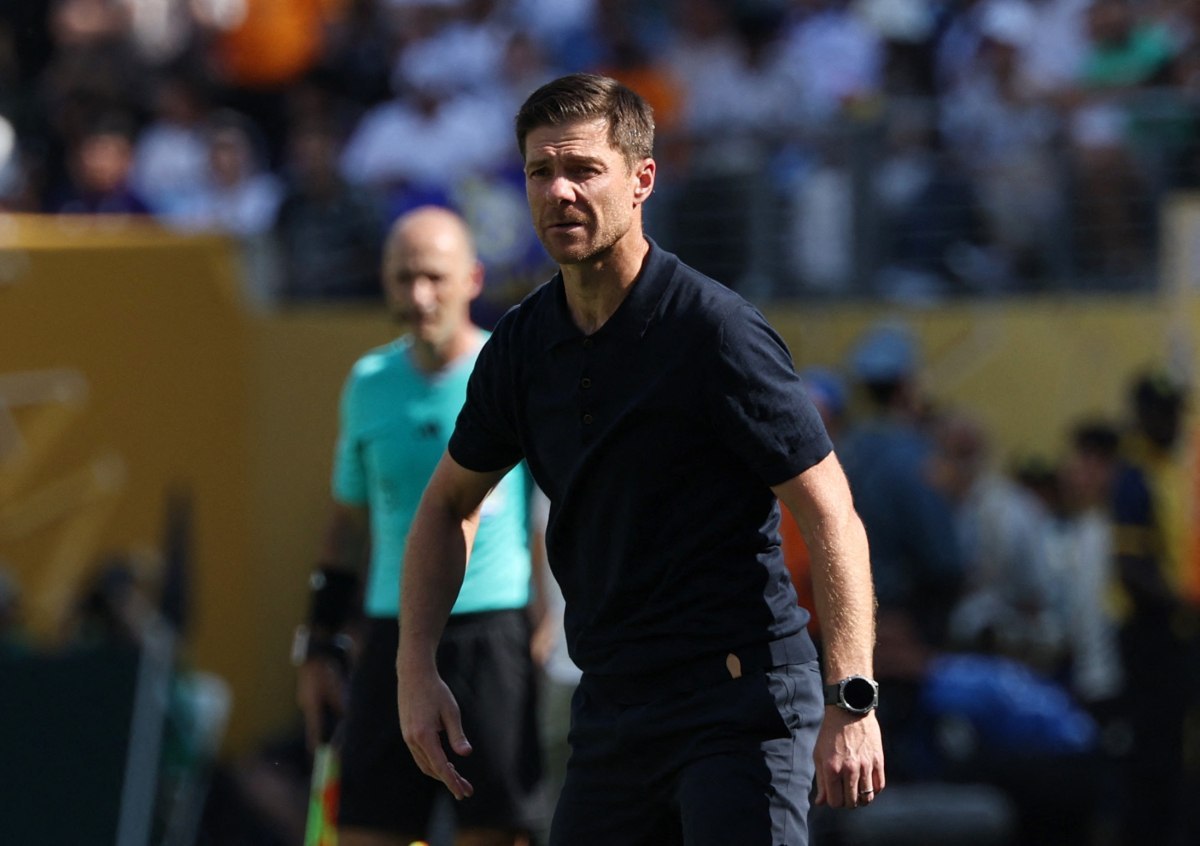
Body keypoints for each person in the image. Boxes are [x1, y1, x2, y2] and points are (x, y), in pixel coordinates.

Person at [396, 73, 884, 846]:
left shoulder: (715, 333)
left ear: (642, 179)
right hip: (612, 711)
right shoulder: (521, 346)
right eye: (539, 171)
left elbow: (832, 515)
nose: (559, 191)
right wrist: (415, 669)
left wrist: (850, 700)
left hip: (741, 707)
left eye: (583, 169)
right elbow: (446, 505)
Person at [294, 206, 543, 846]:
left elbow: (547, 511)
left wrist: (548, 621)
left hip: (491, 634)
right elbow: (346, 524)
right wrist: (318, 644)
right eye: (405, 278)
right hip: (391, 636)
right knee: (366, 829)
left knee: (494, 831)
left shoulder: (508, 371)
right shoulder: (368, 384)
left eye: (434, 276)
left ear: (473, 279)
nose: (420, 295)